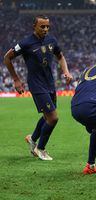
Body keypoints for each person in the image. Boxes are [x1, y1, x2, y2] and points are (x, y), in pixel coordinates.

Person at [3, 15, 73, 161]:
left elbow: (60, 56)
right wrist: (16, 80)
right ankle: (40, 149)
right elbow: (7, 58)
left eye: (47, 26)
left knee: (47, 116)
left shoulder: (51, 40)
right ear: (34, 26)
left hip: (50, 83)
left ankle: (32, 139)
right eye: (42, 26)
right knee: (53, 118)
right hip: (36, 84)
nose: (45, 29)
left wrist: (66, 71)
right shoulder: (25, 43)